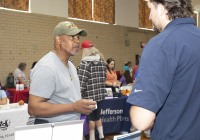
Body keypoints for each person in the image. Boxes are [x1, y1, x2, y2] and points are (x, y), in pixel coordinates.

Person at [127, 0, 200, 139]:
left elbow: (142, 120)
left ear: (161, 8)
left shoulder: (161, 44)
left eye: (150, 9)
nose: (149, 16)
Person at [28, 21, 96, 124]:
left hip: (69, 128)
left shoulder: (71, 65)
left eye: (78, 38)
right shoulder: (47, 67)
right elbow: (33, 108)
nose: (77, 41)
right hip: (51, 131)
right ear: (58, 40)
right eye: (72, 37)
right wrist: (74, 107)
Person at [77, 40, 106, 140]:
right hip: (100, 95)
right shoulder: (102, 61)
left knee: (90, 119)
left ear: (85, 50)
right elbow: (104, 78)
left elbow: (81, 82)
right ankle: (102, 136)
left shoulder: (85, 64)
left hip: (88, 96)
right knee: (97, 117)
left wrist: (78, 96)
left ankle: (92, 138)